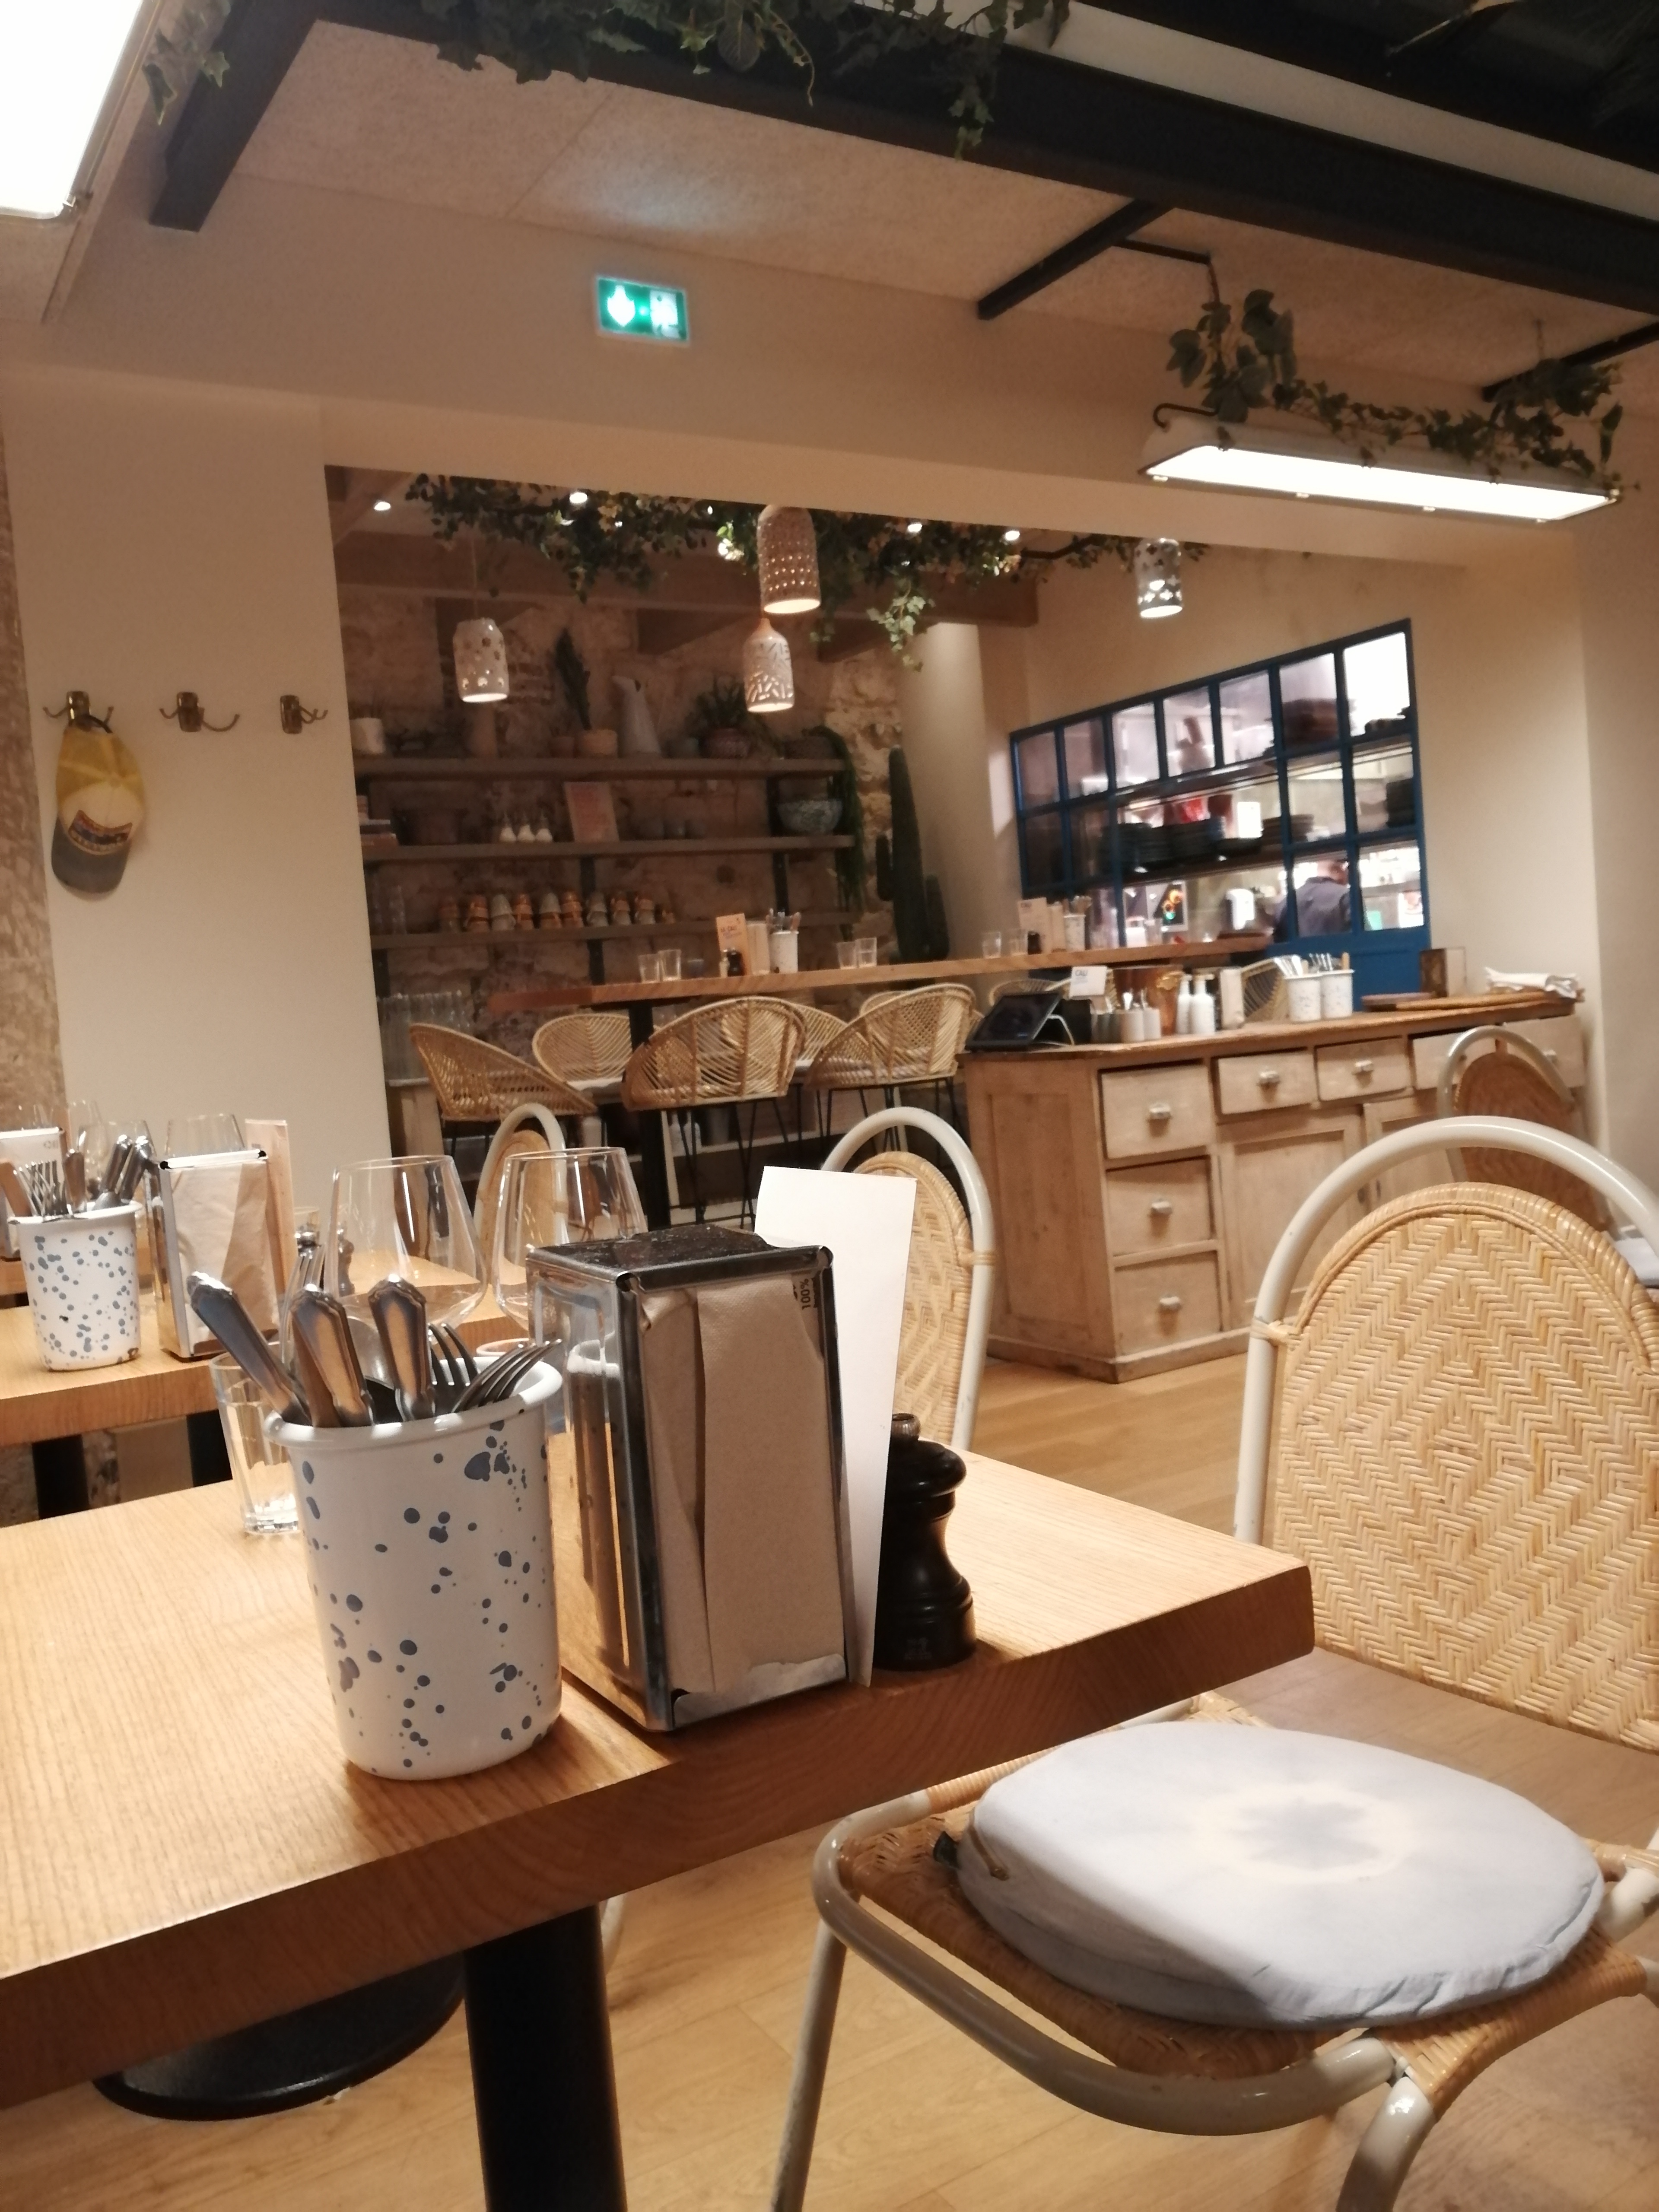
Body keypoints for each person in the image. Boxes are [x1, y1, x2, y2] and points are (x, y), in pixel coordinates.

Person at [1274, 856, 1349, 940]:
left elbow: (1278, 942)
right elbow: (1357, 939)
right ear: (1343, 868)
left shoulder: (1286, 902)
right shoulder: (1347, 896)